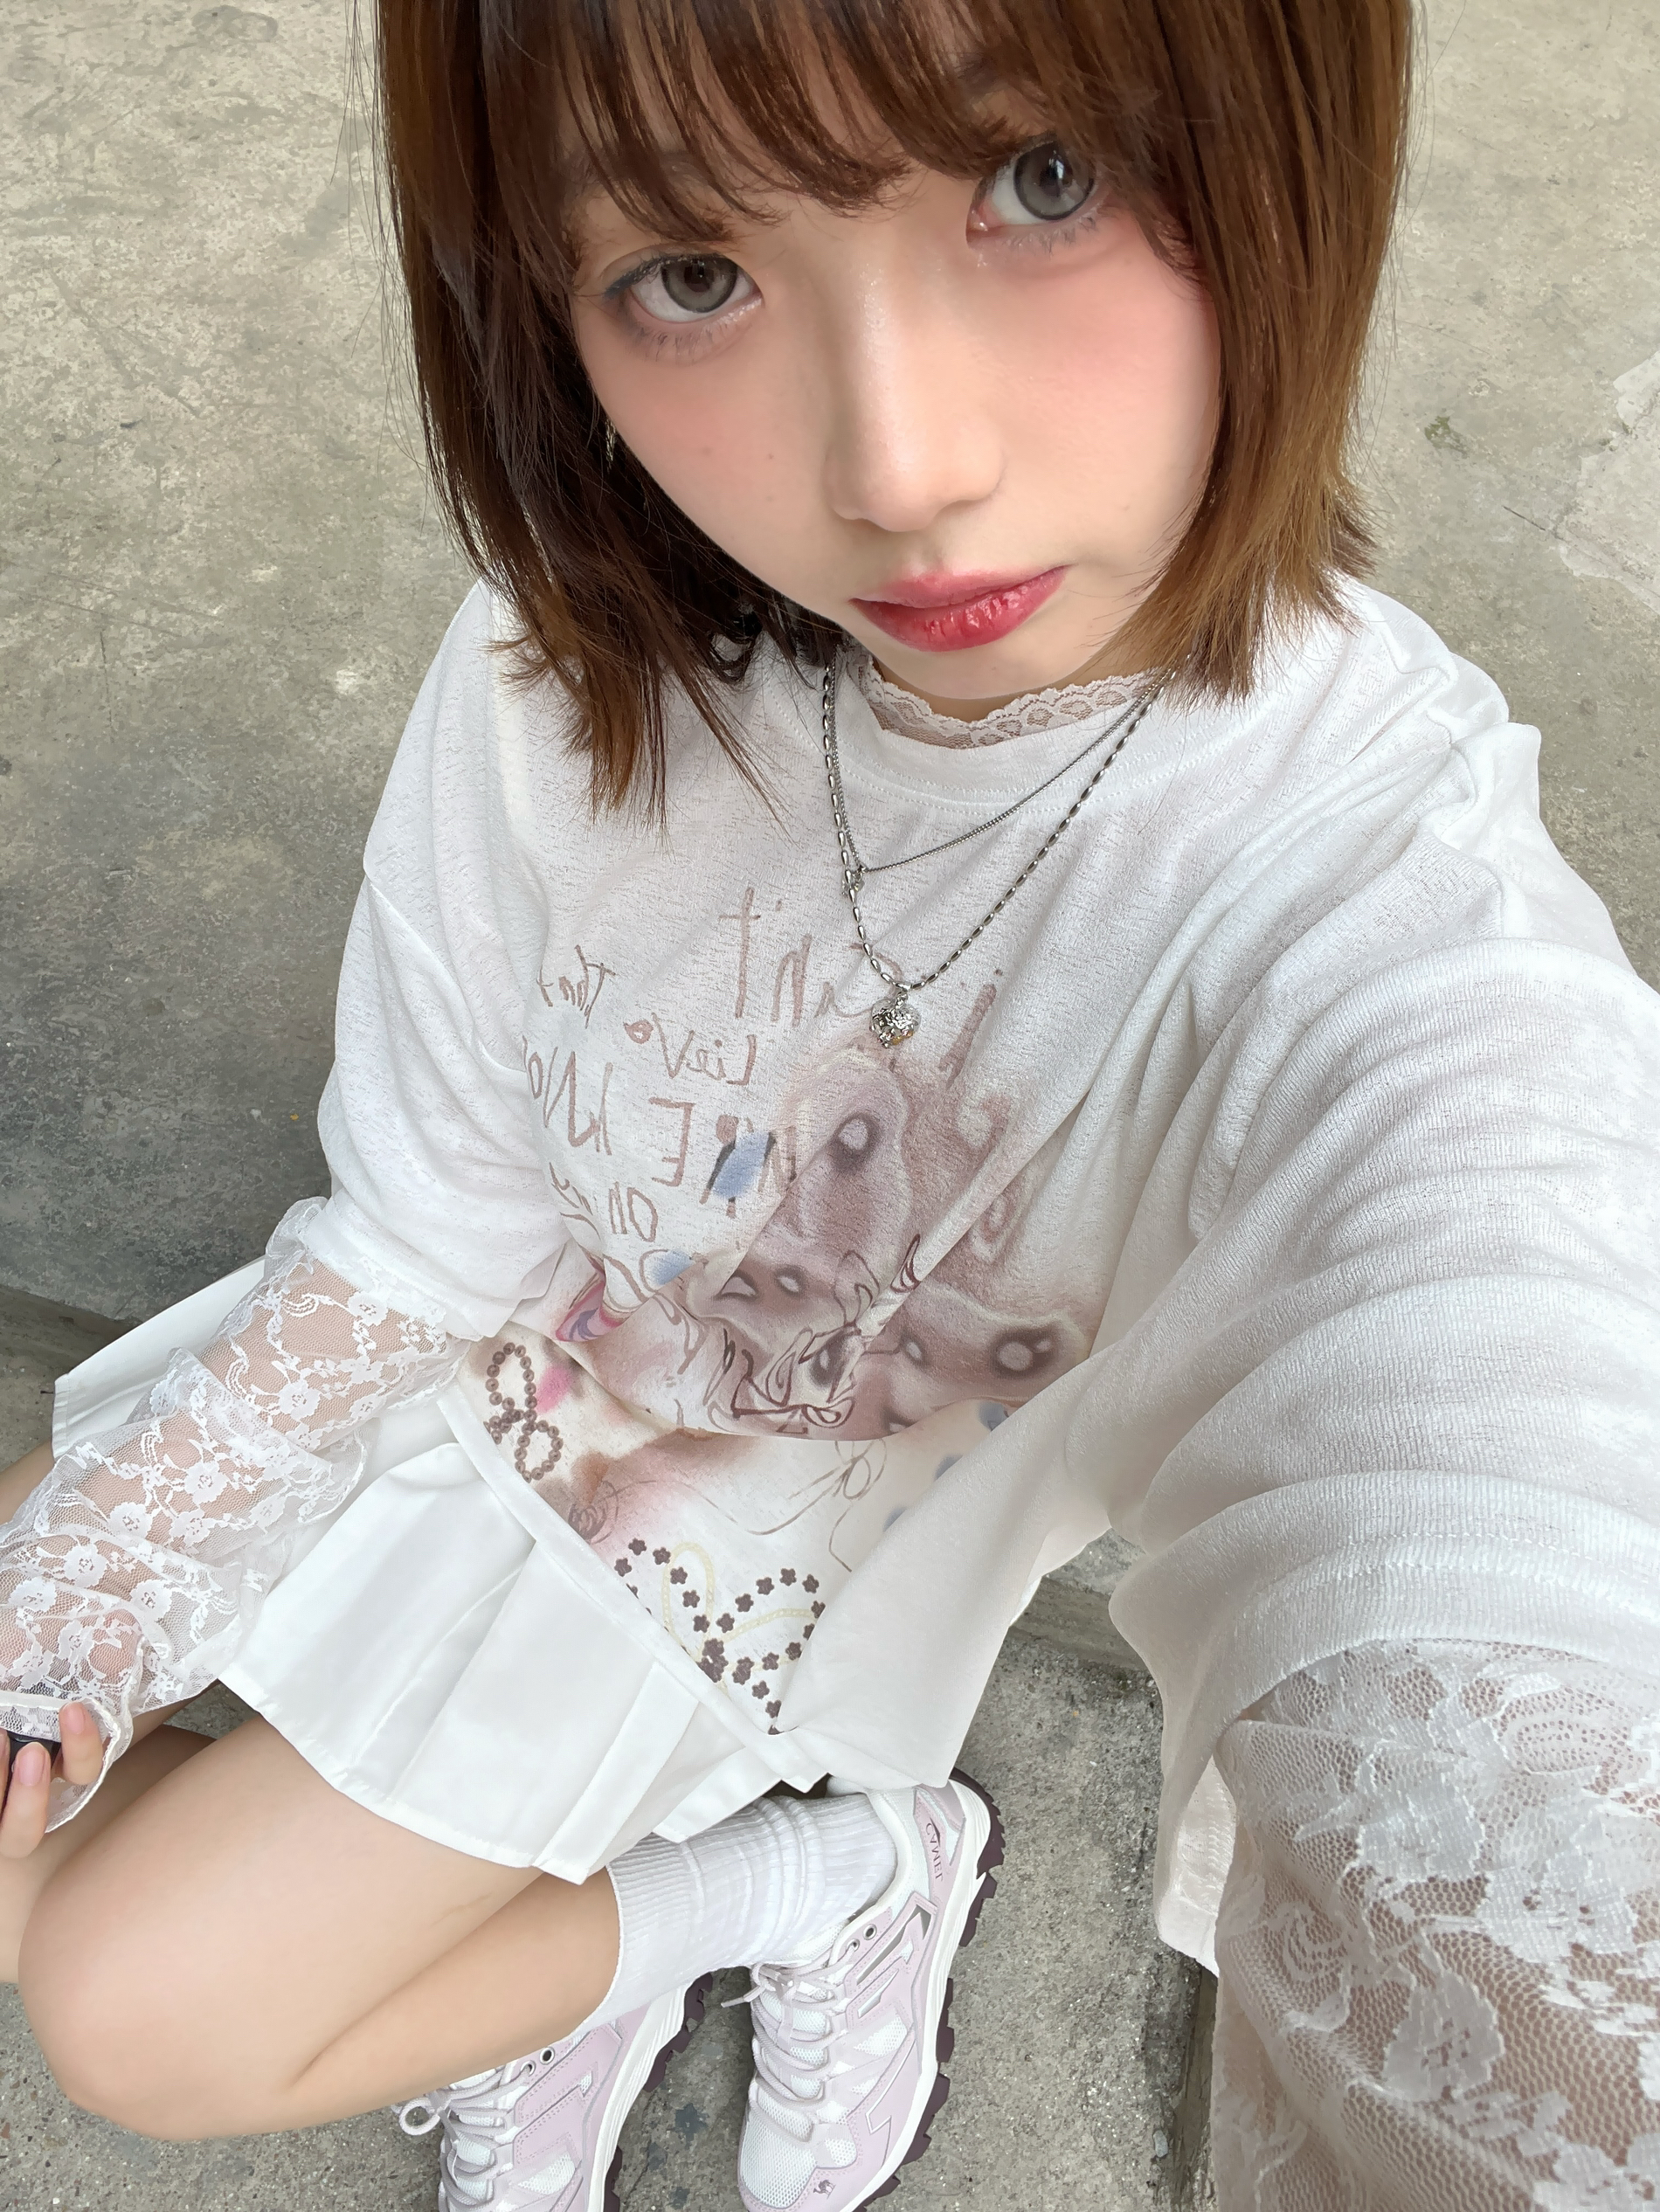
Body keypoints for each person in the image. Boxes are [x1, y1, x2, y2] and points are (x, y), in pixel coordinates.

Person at [2, 0, 1657, 2205]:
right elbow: (429, 1217)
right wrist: (95, 1589)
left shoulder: (1361, 898)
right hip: (467, 1373)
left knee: (134, 2014)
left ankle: (822, 1882)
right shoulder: (567, 664)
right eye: (689, 271)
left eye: (1043, 180)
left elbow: (1507, 1449)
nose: (896, 466)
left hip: (721, 1570)